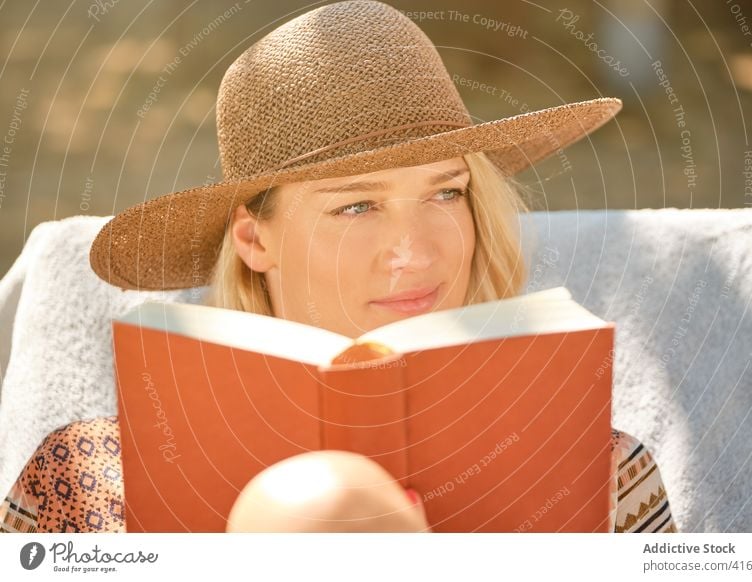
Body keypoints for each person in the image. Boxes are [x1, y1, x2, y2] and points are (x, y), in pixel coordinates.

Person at [0, 0, 676, 534]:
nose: (414, 250)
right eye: (357, 206)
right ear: (253, 240)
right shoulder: (89, 483)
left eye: (446, 192)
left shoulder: (597, 470)